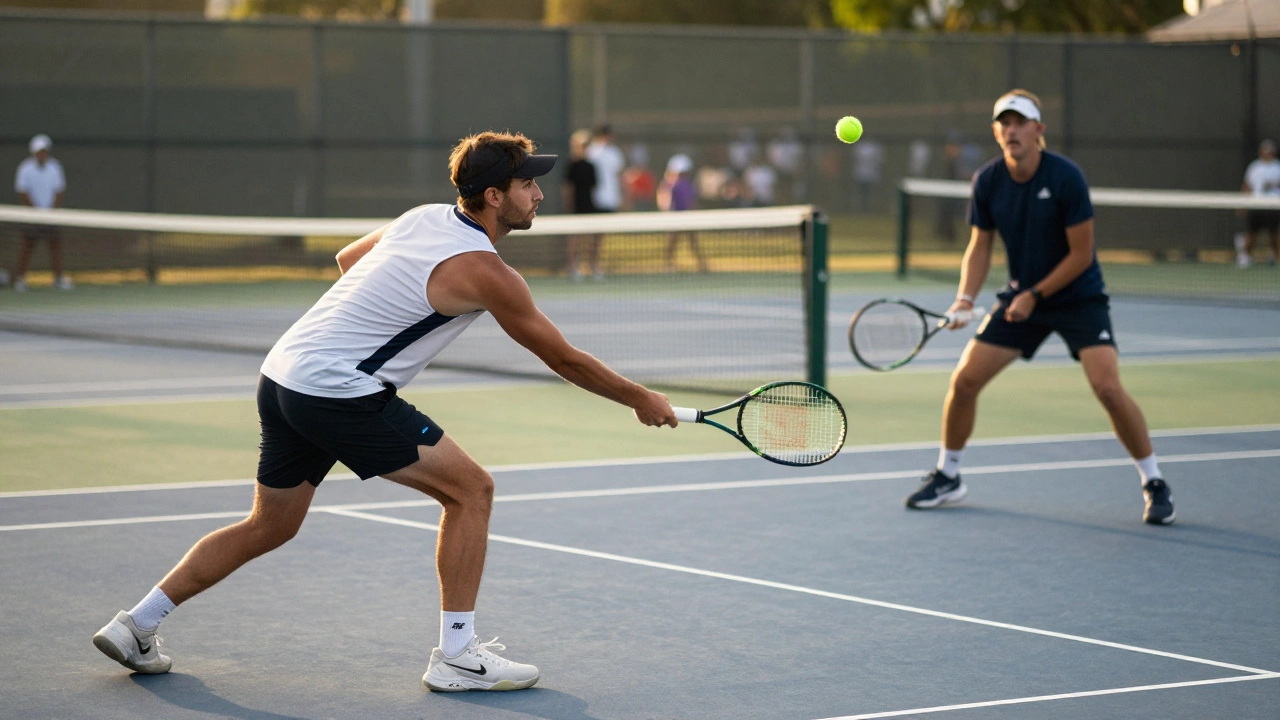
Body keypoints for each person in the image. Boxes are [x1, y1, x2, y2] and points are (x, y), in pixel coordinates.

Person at [92, 131, 679, 690]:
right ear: (495, 196)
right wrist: (640, 398)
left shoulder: (421, 217)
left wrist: (394, 312)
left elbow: (349, 259)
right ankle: (457, 657)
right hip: (335, 388)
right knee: (472, 491)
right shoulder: (487, 271)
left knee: (271, 524)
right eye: (529, 184)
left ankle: (137, 624)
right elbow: (564, 359)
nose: (540, 194)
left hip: (283, 373)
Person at [904, 90, 1175, 526]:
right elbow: (979, 246)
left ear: (1038, 130)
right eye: (1003, 123)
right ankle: (948, 475)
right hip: (1022, 297)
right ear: (996, 132)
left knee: (1107, 388)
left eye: (1019, 122)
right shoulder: (988, 180)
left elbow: (1081, 255)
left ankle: (1154, 481)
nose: (1011, 130)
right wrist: (965, 299)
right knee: (965, 381)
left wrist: (1036, 296)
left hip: (1078, 297)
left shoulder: (1066, 177)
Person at [12, 134, 71, 291]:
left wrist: (50, 213)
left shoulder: (55, 167)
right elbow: (22, 192)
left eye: (45, 151)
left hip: (51, 216)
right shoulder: (25, 168)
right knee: (28, 246)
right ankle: (20, 279)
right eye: (39, 151)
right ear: (34, 152)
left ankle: (59, 279)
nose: (42, 154)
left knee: (56, 246)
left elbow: (59, 191)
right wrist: (36, 212)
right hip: (32, 216)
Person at [583, 124, 625, 279]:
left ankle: (594, 265)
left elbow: (619, 176)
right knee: (593, 235)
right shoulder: (592, 152)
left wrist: (620, 198)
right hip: (596, 200)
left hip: (610, 200)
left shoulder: (614, 153)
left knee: (600, 236)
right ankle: (590, 265)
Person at [561, 128, 599, 280]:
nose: (584, 148)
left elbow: (594, 188)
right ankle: (573, 268)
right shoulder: (571, 165)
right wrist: (569, 207)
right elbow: (567, 188)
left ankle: (592, 267)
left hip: (589, 207)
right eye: (581, 145)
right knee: (574, 240)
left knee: (590, 240)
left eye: (587, 145)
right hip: (575, 208)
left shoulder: (591, 166)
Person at [658, 153, 706, 273]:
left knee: (693, 241)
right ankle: (668, 264)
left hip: (686, 217)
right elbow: (664, 200)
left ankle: (701, 265)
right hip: (675, 218)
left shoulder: (687, 184)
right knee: (672, 241)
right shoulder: (669, 184)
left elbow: (691, 201)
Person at [1239, 138, 1280, 267]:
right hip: (1256, 205)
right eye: (1264, 151)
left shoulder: (1278, 167)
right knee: (1251, 233)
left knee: (1274, 234)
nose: (1267, 153)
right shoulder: (1254, 167)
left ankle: (1276, 257)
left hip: (1273, 206)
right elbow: (1247, 186)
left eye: (1269, 151)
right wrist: (1241, 203)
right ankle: (1244, 256)